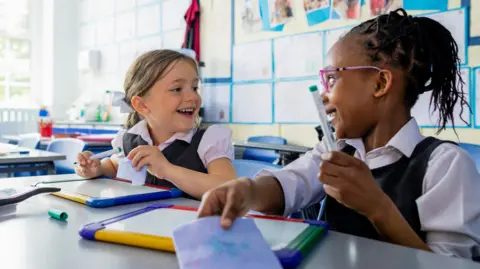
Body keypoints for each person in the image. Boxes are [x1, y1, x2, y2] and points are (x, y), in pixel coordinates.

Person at [198, 9, 480, 260]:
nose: (323, 95)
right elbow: (291, 184)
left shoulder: (445, 165)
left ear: (380, 82)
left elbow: (451, 262)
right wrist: (248, 191)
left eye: (331, 79)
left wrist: (378, 208)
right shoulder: (337, 150)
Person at [75, 49, 237, 200]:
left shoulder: (209, 140)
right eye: (177, 89)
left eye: (194, 87)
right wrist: (98, 168)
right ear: (142, 105)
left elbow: (230, 188)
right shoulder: (130, 139)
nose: (193, 97)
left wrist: (166, 169)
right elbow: (115, 165)